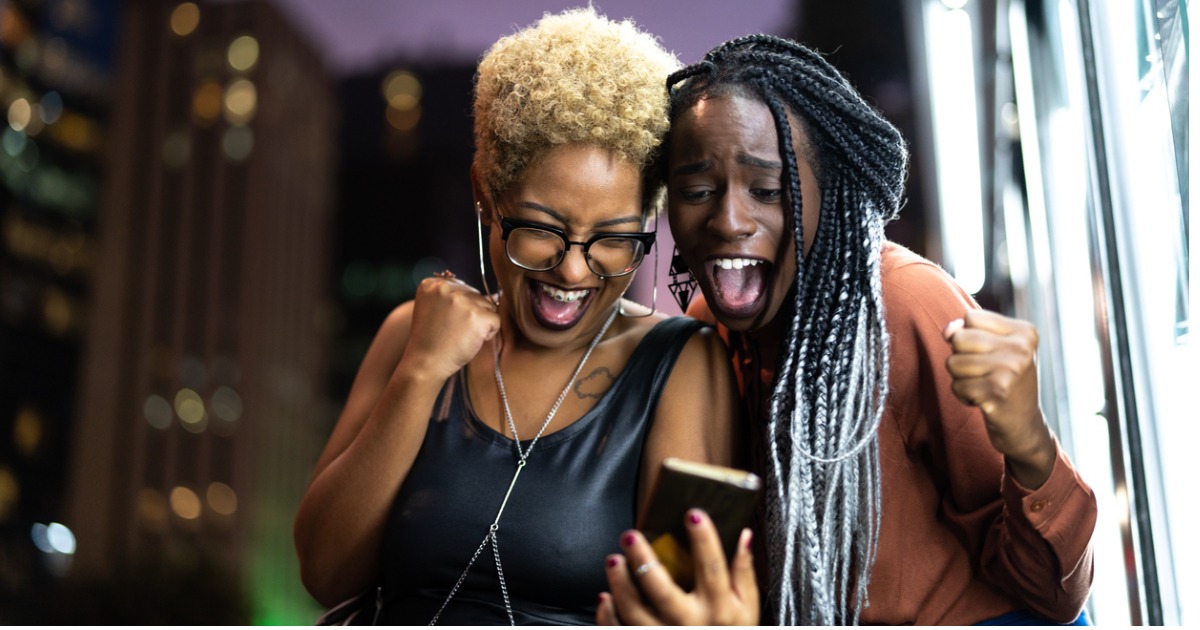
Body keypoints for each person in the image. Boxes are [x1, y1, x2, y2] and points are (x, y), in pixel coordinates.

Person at [598, 35, 1097, 625]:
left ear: (826, 194)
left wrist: (1030, 443)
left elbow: (1053, 596)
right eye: (697, 192)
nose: (728, 220)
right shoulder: (707, 334)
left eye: (766, 190)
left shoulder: (904, 305)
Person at [293, 8, 741, 625]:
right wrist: (421, 371)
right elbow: (325, 572)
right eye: (542, 229)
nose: (575, 272)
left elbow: (679, 608)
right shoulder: (413, 335)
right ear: (486, 194)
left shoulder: (681, 364)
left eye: (613, 238)